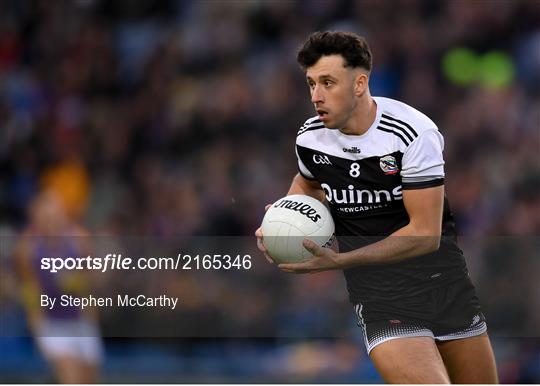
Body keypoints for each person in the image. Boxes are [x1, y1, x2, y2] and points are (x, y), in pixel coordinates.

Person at [255, 31, 498, 384]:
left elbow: (425, 235)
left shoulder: (412, 133)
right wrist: (284, 221)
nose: (316, 97)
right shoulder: (310, 137)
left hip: (445, 286)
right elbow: (307, 184)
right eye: (310, 84)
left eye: (327, 82)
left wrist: (339, 261)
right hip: (382, 299)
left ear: (359, 84)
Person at [14, 190, 103, 383]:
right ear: (36, 217)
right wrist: (38, 327)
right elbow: (29, 289)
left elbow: (95, 278)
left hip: (80, 321)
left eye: (55, 215)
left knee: (89, 379)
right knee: (70, 376)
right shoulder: (27, 246)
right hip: (52, 323)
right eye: (45, 216)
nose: (51, 221)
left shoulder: (79, 239)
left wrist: (79, 282)